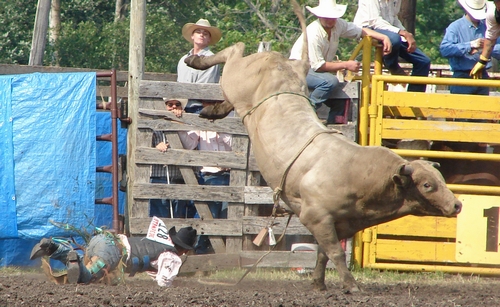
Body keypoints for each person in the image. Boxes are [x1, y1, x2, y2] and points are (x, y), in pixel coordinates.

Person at [289, 0, 392, 124]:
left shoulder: (338, 25)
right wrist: (345, 65)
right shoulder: (314, 34)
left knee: (341, 99)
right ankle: (307, 110)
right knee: (329, 81)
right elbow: (319, 66)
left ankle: (334, 128)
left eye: (333, 17)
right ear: (320, 16)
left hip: (313, 70)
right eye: (326, 17)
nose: (330, 20)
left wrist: (383, 37)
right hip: (298, 69)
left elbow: (360, 31)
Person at [30, 224, 197, 287]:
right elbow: (164, 281)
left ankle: (53, 247)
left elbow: (153, 270)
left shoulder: (156, 242)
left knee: (85, 267)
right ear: (185, 249)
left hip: (102, 239)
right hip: (112, 252)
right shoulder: (172, 256)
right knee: (87, 278)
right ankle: (69, 257)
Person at [353, 0, 431, 92]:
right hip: (367, 29)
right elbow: (375, 21)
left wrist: (406, 34)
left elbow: (394, 18)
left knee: (423, 61)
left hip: (389, 29)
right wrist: (403, 33)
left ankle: (414, 95)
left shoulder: (396, 1)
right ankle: (392, 65)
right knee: (394, 39)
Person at [150, 98, 197, 218]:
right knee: (159, 217)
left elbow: (191, 146)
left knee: (179, 217)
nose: (174, 108)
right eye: (170, 105)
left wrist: (179, 124)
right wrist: (156, 146)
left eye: (177, 105)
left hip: (181, 177)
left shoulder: (189, 123)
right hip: (159, 176)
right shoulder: (154, 123)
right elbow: (144, 144)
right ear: (164, 106)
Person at [440, 0, 500, 95]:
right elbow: (445, 49)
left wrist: (485, 49)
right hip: (462, 77)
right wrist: (470, 45)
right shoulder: (455, 27)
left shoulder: (489, 25)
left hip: (482, 76)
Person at [177, 19, 222, 114]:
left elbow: (204, 90)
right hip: (181, 109)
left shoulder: (212, 60)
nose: (201, 34)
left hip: (200, 108)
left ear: (209, 39)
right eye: (198, 32)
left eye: (205, 33)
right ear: (192, 36)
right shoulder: (183, 60)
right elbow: (179, 84)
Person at [470, 0, 500, 78]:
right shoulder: (493, 13)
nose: (498, 5)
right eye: (496, 1)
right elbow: (491, 38)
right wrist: (482, 61)